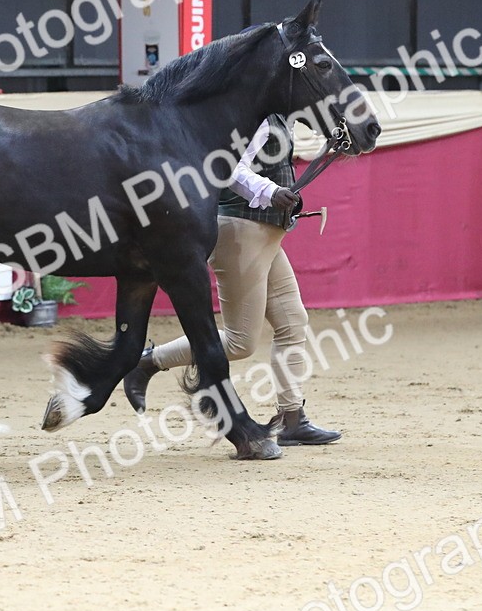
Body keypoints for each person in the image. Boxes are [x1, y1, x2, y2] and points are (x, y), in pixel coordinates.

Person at [123, 114, 341, 446]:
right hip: (241, 233)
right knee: (241, 342)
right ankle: (148, 362)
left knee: (292, 323)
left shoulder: (280, 117)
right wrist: (271, 191)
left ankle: (292, 418)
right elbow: (232, 170)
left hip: (265, 235)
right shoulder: (255, 119)